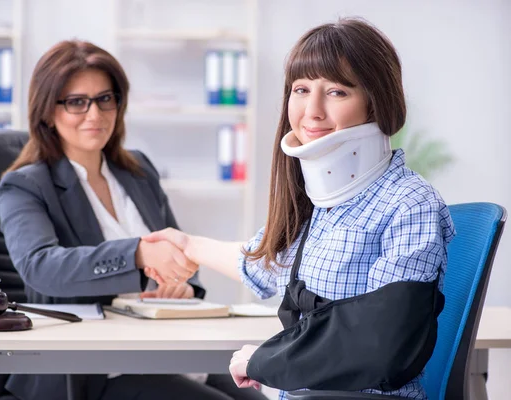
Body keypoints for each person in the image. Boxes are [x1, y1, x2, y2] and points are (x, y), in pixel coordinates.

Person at [143, 18, 456, 400]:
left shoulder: (410, 203)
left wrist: (265, 360)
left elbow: (380, 338)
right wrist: (189, 245)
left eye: (337, 92)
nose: (312, 111)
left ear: (378, 100)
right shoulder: (322, 205)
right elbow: (262, 261)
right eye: (301, 89)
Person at [0, 40, 268, 400]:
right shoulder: (26, 184)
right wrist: (136, 255)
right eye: (77, 102)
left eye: (105, 99)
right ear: (48, 111)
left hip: (166, 350)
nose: (95, 114)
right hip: (95, 370)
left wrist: (181, 286)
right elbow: (40, 266)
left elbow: (181, 252)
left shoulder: (137, 171)